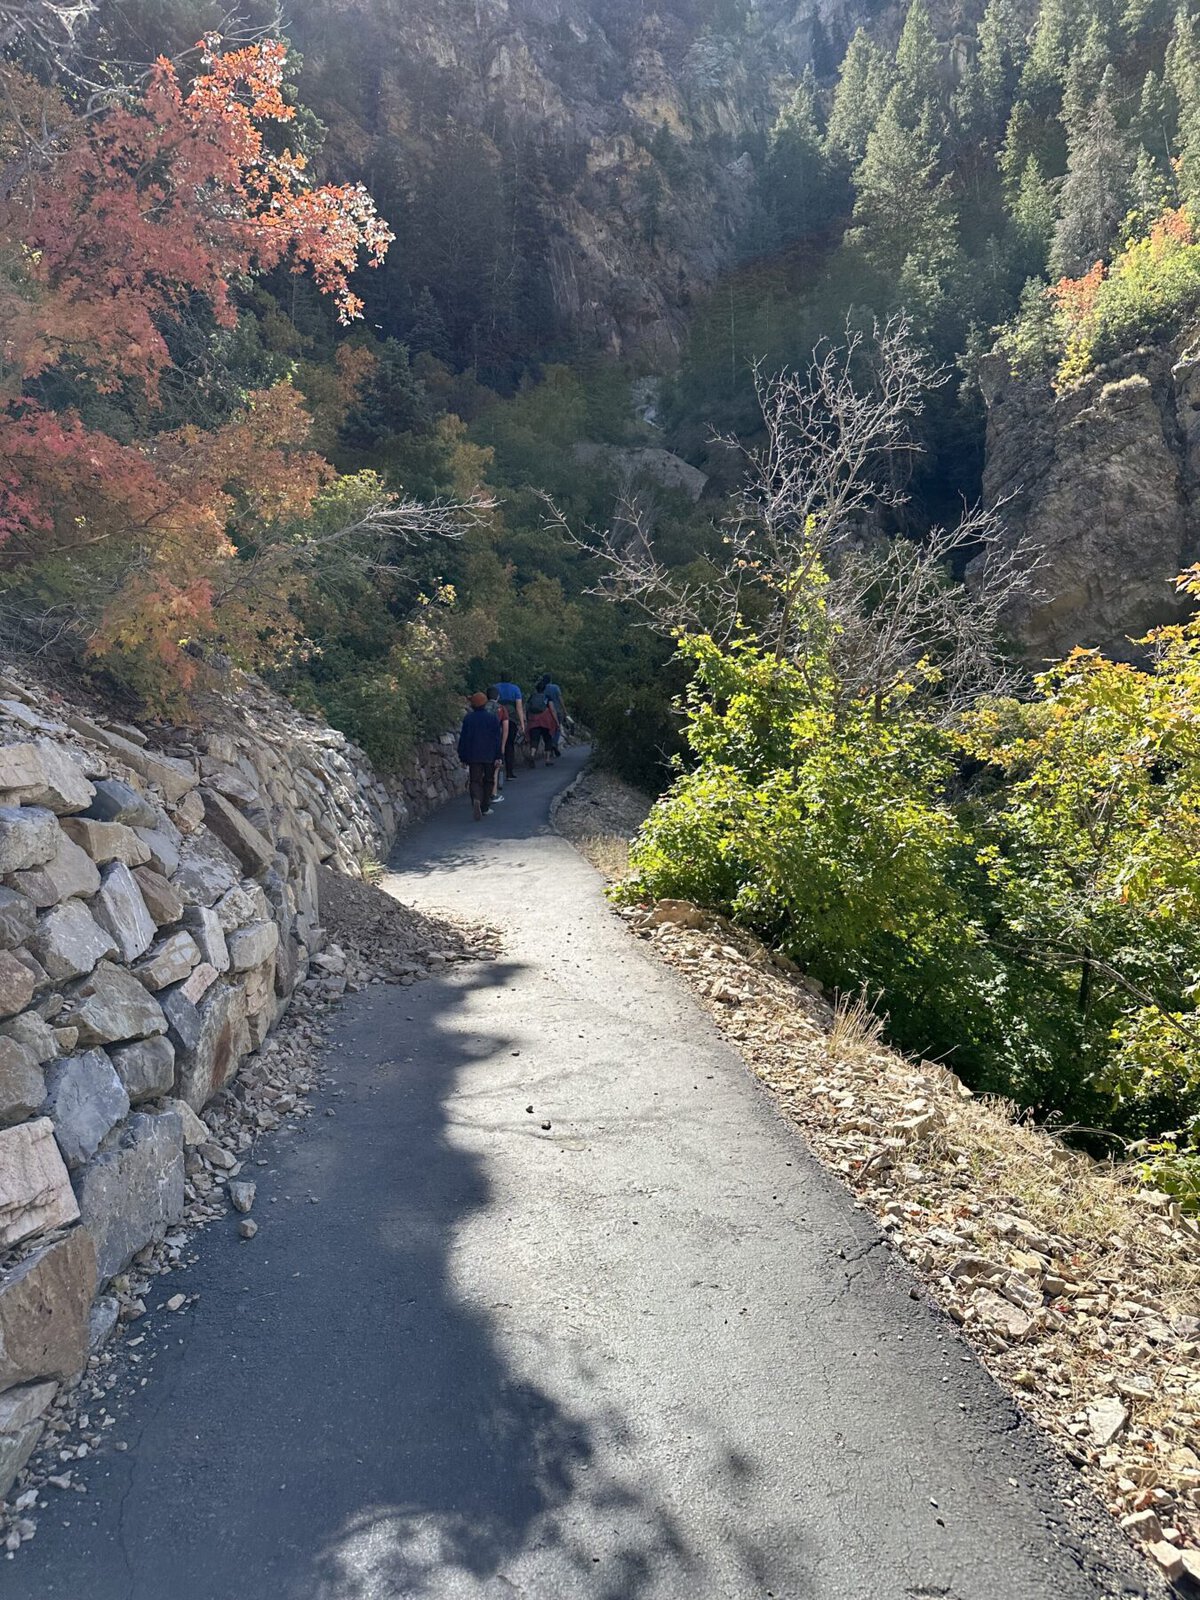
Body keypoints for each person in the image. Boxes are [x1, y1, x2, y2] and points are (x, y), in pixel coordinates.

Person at [457, 692, 502, 821]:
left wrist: (462, 756)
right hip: (489, 754)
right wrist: (499, 756)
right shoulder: (492, 718)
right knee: (488, 780)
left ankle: (476, 799)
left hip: (473, 755)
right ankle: (484, 807)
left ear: (473, 705)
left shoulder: (468, 719)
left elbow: (463, 739)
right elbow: (496, 739)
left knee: (475, 780)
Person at [493, 672, 525, 779]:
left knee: (496, 743)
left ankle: (495, 771)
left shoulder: (495, 687)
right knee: (509, 745)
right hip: (511, 719)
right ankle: (509, 772)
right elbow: (519, 707)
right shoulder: (515, 689)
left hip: (496, 718)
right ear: (510, 678)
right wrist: (522, 723)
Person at [485, 684, 509, 803]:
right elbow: (505, 729)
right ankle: (493, 794)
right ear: (498, 696)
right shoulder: (501, 709)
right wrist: (503, 745)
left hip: (482, 740)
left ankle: (481, 793)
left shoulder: (482, 707)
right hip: (495, 740)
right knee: (495, 767)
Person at [535, 673, 567, 755]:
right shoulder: (555, 687)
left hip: (545, 712)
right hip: (557, 711)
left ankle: (549, 747)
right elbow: (560, 699)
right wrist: (565, 710)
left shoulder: (543, 688)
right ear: (550, 680)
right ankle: (554, 743)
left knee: (548, 730)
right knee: (557, 727)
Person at [525, 694, 559, 765]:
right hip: (546, 722)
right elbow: (552, 709)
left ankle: (532, 755)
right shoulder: (547, 697)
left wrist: (528, 719)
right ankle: (547, 760)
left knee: (534, 740)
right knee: (548, 740)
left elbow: (527, 708)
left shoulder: (532, 696)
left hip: (534, 721)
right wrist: (556, 722)